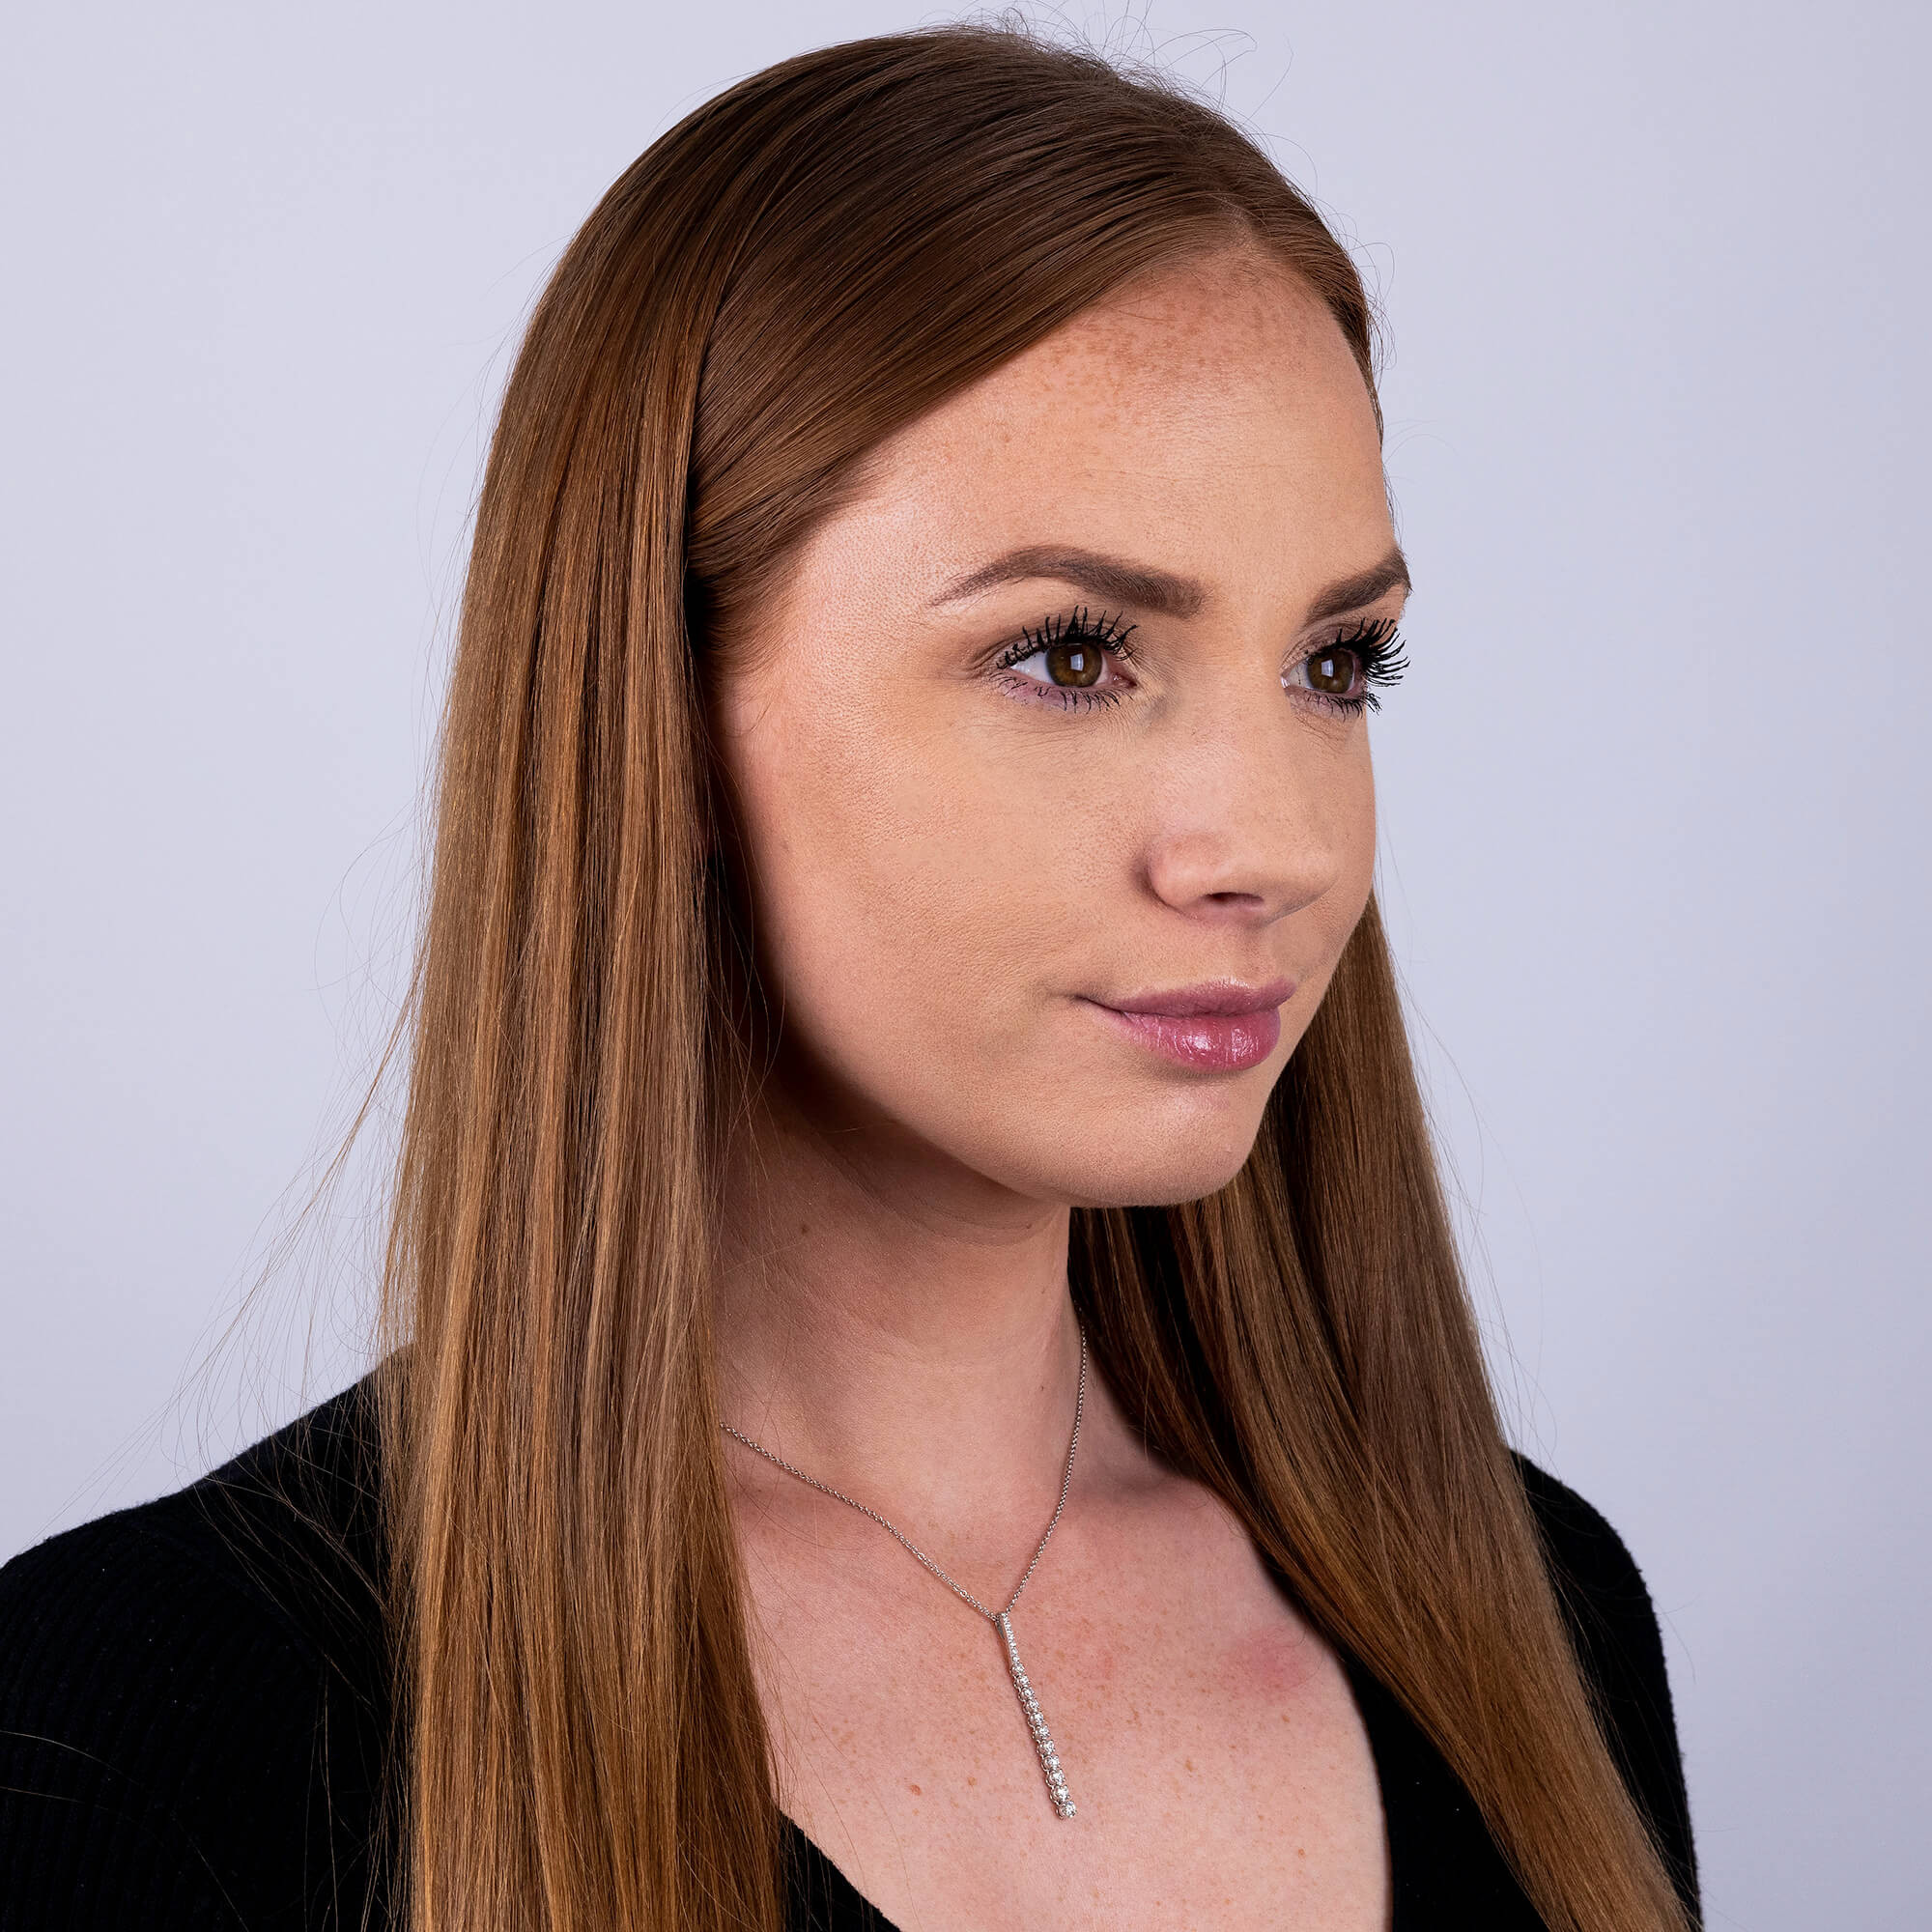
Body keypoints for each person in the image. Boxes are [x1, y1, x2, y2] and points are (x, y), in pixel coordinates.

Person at [0, 20, 1700, 1932]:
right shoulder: (136, 1743)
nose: (1274, 846)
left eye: (1336, 664)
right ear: (659, 712)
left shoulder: (1535, 1621)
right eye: (1072, 654)